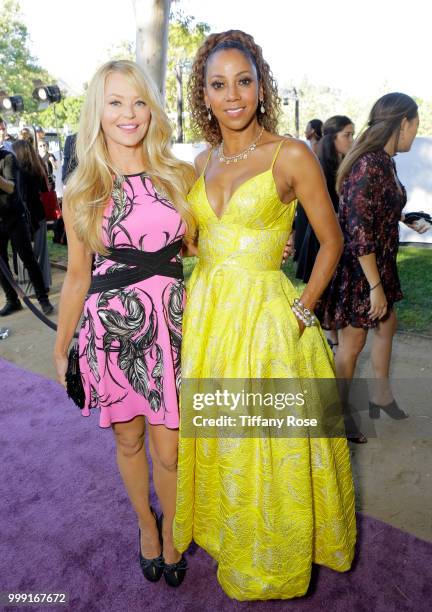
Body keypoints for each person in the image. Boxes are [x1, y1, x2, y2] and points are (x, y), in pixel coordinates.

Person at [173, 30, 356, 601]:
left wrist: (302, 312)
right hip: (210, 324)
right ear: (203, 94)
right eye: (219, 84)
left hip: (269, 327)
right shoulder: (199, 161)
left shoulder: (290, 154)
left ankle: (275, 561)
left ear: (261, 86)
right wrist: (204, 252)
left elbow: (331, 243)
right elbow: (198, 245)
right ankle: (234, 541)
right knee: (227, 441)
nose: (233, 95)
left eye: (244, 81)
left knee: (269, 447)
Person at [53, 60, 196, 587]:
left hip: (172, 327)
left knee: (170, 445)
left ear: (151, 108)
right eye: (115, 102)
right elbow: (76, 277)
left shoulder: (178, 174)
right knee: (130, 441)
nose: (129, 113)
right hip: (112, 330)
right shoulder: (83, 188)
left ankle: (177, 527)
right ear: (98, 111)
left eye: (138, 101)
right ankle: (147, 527)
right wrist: (64, 343)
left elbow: (201, 247)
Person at [316, 93, 428, 422]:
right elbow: (357, 227)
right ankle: (336, 416)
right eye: (416, 124)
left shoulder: (383, 160)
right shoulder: (369, 163)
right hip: (360, 269)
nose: (415, 131)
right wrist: (374, 286)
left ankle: (380, 394)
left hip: (377, 263)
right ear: (403, 123)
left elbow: (374, 207)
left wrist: (403, 217)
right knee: (352, 343)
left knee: (386, 323)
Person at [296, 116, 354, 285]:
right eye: (347, 135)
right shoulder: (319, 168)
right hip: (323, 240)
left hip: (340, 236)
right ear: (332, 138)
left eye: (352, 135)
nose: (352, 140)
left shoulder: (344, 165)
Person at [0, 144, 53, 316]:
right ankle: (12, 300)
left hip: (14, 217)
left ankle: (43, 299)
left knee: (28, 258)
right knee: (1, 264)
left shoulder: (8, 158)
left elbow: (11, 187)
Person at [12, 139, 52, 291]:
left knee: (25, 254)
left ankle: (30, 287)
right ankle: (44, 284)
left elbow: (21, 196)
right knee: (41, 252)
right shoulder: (38, 169)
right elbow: (44, 190)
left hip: (24, 215)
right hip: (39, 213)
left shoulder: (19, 171)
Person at [293, 119, 323, 261]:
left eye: (307, 128)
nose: (305, 131)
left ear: (313, 131)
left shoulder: (316, 147)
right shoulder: (310, 146)